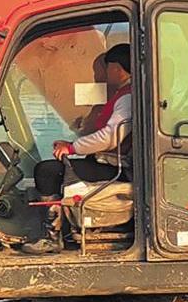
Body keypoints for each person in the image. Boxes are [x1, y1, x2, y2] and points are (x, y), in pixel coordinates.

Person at [33, 43, 131, 202]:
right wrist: (71, 143)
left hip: (116, 169)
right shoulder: (122, 94)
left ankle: (52, 216)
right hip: (106, 161)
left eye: (106, 69)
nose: (101, 75)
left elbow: (110, 138)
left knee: (46, 171)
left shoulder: (126, 99)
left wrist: (72, 148)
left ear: (117, 70)